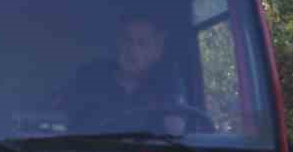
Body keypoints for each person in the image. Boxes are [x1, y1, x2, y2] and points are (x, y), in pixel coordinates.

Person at [54, 16, 193, 136]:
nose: (132, 50)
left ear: (157, 50)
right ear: (118, 43)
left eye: (142, 43)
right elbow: (60, 121)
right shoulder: (90, 78)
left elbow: (176, 132)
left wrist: (168, 85)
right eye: (127, 41)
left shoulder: (167, 84)